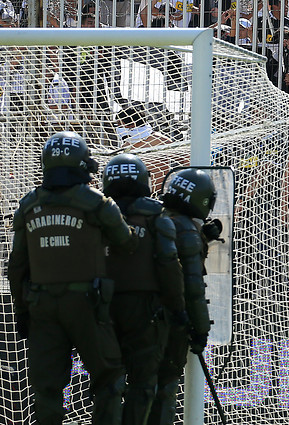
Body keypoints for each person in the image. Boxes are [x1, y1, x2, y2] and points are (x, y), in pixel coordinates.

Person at [7, 131, 137, 424]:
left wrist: (23, 310)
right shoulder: (97, 203)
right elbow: (127, 244)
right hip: (88, 304)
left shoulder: (27, 206)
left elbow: (16, 266)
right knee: (109, 376)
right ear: (83, 163)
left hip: (41, 305)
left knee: (47, 386)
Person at [102, 154, 186, 425]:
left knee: (107, 384)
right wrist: (178, 307)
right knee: (143, 384)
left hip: (101, 308)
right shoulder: (155, 216)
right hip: (146, 311)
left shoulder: (94, 215)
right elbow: (168, 264)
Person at [149, 168, 215, 425]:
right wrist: (200, 331)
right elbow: (194, 290)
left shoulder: (152, 219)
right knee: (165, 391)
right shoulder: (187, 231)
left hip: (136, 318)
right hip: (170, 324)